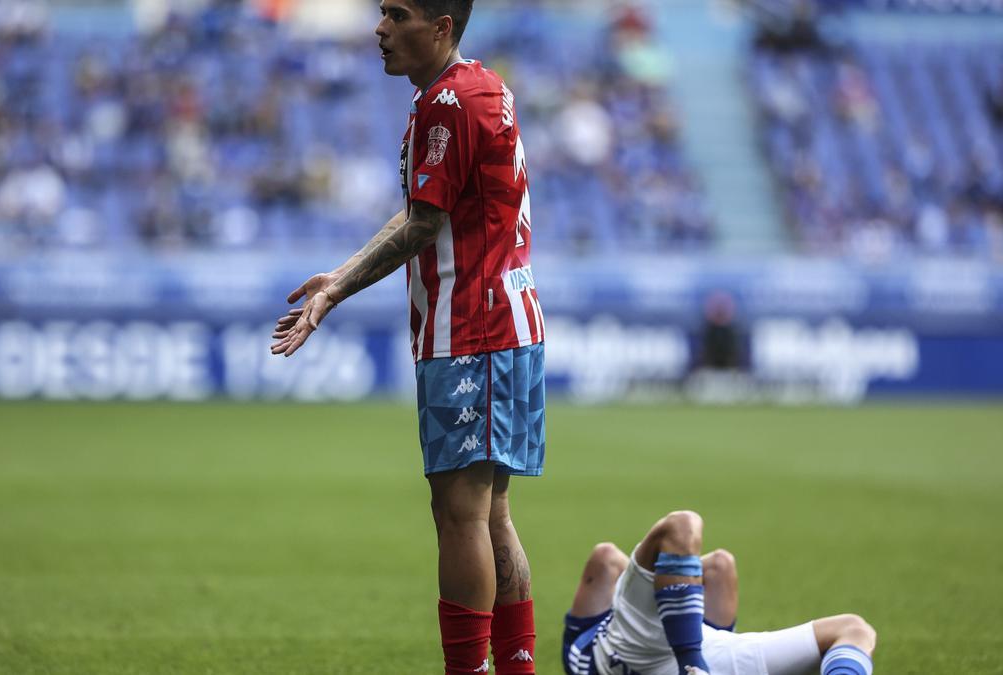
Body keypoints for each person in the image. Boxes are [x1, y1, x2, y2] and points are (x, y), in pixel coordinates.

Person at [271, 1, 545, 673]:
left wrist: (335, 287)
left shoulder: (448, 103)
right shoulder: (480, 86)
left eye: (397, 14)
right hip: (502, 323)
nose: (381, 28)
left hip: (472, 329)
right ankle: (512, 663)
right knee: (488, 511)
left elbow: (423, 222)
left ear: (441, 25)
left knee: (460, 513)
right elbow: (434, 210)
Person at [562, 510, 877, 675]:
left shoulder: (596, 637)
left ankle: (694, 664)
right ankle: (694, 664)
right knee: (855, 630)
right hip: (660, 653)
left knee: (686, 533)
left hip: (658, 650)